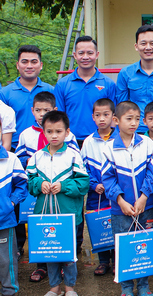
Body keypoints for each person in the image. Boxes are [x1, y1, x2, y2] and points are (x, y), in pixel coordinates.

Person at [15, 91, 79, 281]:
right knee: (42, 230)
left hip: (63, 196)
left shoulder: (68, 137)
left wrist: (64, 184)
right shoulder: (26, 134)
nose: (42, 114)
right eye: (38, 110)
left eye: (46, 110)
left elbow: (77, 168)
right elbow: (20, 159)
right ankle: (42, 267)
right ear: (32, 111)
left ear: (55, 110)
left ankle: (66, 268)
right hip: (40, 194)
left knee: (64, 232)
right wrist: (30, 165)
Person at [26, 111, 89, 296]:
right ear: (43, 132)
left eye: (59, 131)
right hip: (45, 215)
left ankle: (70, 288)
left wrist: (63, 186)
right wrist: (39, 184)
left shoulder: (73, 156)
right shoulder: (37, 157)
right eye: (49, 131)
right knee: (50, 253)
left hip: (68, 215)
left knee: (68, 254)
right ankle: (54, 287)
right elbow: (30, 182)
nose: (54, 135)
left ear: (67, 132)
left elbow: (83, 184)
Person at [102, 101, 153, 296]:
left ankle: (143, 286)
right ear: (116, 120)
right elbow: (107, 179)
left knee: (144, 246)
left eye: (137, 119)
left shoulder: (147, 143)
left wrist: (144, 197)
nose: (134, 123)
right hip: (121, 210)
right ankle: (126, 287)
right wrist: (120, 201)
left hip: (145, 207)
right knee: (124, 247)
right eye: (129, 119)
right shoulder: (109, 148)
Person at [53, 36, 116, 145]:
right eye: (81, 53)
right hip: (70, 142)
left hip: (101, 141)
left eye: (90, 53)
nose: (85, 57)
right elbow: (58, 117)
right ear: (75, 55)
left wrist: (110, 140)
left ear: (97, 55)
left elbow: (114, 116)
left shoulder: (108, 84)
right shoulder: (62, 84)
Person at [81, 98, 116, 276]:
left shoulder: (120, 139)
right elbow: (83, 168)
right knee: (99, 224)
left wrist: (113, 185)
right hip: (96, 194)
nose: (102, 118)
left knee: (116, 224)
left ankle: (117, 260)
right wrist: (94, 185)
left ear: (113, 117)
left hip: (117, 194)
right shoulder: (88, 142)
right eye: (98, 115)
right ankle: (103, 261)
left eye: (106, 114)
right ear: (93, 117)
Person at [0, 45, 54, 150]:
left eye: (34, 62)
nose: (29, 66)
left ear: (41, 65)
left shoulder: (51, 91)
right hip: (13, 148)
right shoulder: (5, 93)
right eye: (24, 62)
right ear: (17, 65)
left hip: (46, 147)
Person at [0, 121, 27, 296]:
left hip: (4, 221)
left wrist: (11, 203)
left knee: (6, 261)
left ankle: (9, 291)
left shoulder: (10, 159)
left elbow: (22, 184)